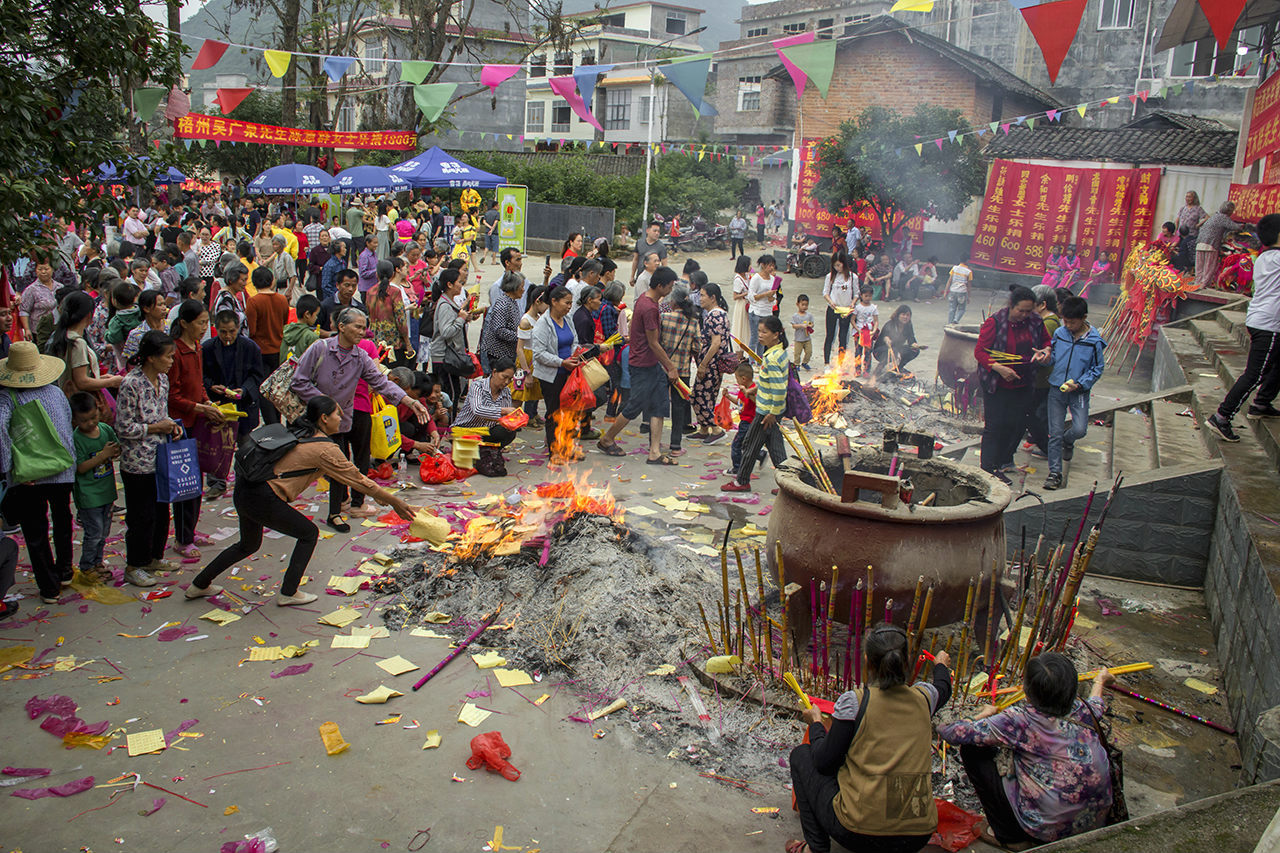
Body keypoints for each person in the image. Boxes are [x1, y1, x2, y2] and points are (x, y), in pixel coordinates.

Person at [187, 396, 418, 605]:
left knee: (248, 545)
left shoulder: (299, 431)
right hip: (263, 497)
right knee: (308, 533)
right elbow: (359, 480)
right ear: (324, 418)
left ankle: (199, 584)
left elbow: (343, 477)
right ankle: (289, 593)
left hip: (245, 489)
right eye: (338, 414)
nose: (342, 418)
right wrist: (395, 502)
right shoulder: (325, 448)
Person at [788, 625, 952, 853]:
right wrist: (941, 665)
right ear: (906, 663)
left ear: (867, 661)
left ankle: (815, 849)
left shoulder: (855, 703)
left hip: (859, 834)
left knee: (802, 756)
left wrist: (816, 724)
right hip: (917, 836)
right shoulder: (925, 698)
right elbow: (943, 687)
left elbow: (824, 763)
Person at [938, 654, 1115, 849]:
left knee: (972, 750)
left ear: (1027, 692)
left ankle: (1012, 838)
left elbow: (950, 732)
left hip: (1045, 832)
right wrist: (1100, 680)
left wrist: (981, 715)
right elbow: (1097, 704)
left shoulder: (1020, 721)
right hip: (1095, 822)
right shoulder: (1082, 710)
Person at [292, 307, 430, 532]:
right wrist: (324, 403)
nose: (362, 331)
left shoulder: (360, 356)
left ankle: (350, 506)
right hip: (324, 421)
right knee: (336, 463)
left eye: (364, 327)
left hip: (345, 417)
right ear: (341, 326)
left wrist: (409, 401)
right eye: (357, 326)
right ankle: (335, 513)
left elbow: (381, 383)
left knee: (348, 461)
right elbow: (299, 381)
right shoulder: (320, 348)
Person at [0, 342, 77, 602]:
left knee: (36, 532)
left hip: (29, 475)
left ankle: (49, 587)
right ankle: (65, 569)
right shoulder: (55, 393)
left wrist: (7, 468)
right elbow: (66, 424)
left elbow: (1, 431)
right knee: (63, 518)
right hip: (62, 468)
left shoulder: (7, 398)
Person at [115, 331, 182, 587]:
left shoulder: (162, 381)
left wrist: (171, 428)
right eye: (168, 356)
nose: (171, 361)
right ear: (151, 358)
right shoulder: (131, 383)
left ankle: (154, 557)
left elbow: (162, 415)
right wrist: (155, 428)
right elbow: (123, 427)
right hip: (137, 463)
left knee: (160, 512)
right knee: (140, 516)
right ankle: (134, 565)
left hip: (160, 458)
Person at [1207, 214, 1280, 442]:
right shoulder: (1277, 258)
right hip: (1269, 325)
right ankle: (1222, 416)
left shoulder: (1266, 256)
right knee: (1255, 374)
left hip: (1260, 319)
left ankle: (1262, 402)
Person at [597, 268, 680, 465]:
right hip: (643, 364)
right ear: (660, 286)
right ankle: (607, 438)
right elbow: (653, 342)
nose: (670, 290)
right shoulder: (649, 307)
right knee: (634, 406)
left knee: (660, 404)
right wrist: (671, 367)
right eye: (669, 286)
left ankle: (654, 452)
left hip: (651, 363)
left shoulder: (646, 298)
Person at [975, 286, 1051, 483]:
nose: (1024, 315)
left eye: (1029, 311)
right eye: (1021, 311)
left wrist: (1045, 353)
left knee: (1014, 424)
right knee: (995, 426)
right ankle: (988, 469)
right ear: (1011, 306)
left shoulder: (1035, 321)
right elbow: (980, 352)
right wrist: (1000, 368)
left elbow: (1047, 343)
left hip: (1024, 382)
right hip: (997, 383)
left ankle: (1002, 462)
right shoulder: (995, 322)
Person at [167, 300, 224, 560]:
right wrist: (200, 408)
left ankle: (190, 531)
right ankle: (182, 537)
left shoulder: (197, 347)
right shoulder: (175, 352)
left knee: (197, 480)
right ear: (184, 323)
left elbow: (198, 383)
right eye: (201, 323)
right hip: (180, 425)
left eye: (205, 322)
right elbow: (173, 396)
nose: (205, 327)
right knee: (185, 483)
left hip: (197, 420)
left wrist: (208, 401)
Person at [1043, 295, 1106, 490]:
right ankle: (1055, 473)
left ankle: (1068, 440)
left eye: (1072, 322)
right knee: (1054, 433)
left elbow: (1097, 369)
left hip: (1078, 391)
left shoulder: (1094, 341)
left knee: (1080, 429)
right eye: (1065, 321)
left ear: (1084, 318)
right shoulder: (1060, 333)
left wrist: (1080, 383)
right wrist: (1045, 358)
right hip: (1056, 388)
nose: (1068, 325)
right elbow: (1053, 357)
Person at [722, 315, 788, 492]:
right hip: (770, 409)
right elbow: (770, 383)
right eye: (758, 331)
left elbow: (780, 389)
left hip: (767, 411)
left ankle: (741, 481)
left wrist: (772, 413)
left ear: (776, 334)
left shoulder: (772, 358)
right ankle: (787, 485)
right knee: (776, 449)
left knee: (749, 445)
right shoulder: (778, 353)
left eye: (764, 332)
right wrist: (754, 390)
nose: (760, 335)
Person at [70, 392, 119, 580]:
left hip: (106, 491)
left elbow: (115, 448)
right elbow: (80, 467)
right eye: (84, 421)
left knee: (104, 532)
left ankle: (97, 562)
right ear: (74, 420)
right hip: (88, 495)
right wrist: (102, 455)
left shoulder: (105, 429)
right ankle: (87, 566)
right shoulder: (76, 439)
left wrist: (114, 452)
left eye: (93, 417)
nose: (91, 423)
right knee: (94, 533)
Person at [531, 285, 582, 463]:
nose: (569, 306)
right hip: (552, 375)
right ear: (554, 301)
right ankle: (554, 451)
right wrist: (562, 362)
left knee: (569, 412)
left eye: (571, 303)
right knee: (554, 412)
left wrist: (575, 354)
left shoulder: (567, 319)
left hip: (570, 373)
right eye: (566, 303)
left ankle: (567, 447)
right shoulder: (542, 325)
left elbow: (574, 340)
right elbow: (539, 353)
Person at [47, 291, 125, 399]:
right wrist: (111, 382)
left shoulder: (62, 336)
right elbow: (82, 382)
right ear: (89, 315)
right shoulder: (77, 342)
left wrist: (101, 378)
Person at [455, 357, 520, 476]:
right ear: (494, 372)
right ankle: (482, 452)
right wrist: (504, 410)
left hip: (485, 431)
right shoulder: (478, 386)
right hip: (465, 430)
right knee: (464, 458)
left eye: (510, 379)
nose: (506, 382)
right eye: (504, 377)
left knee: (509, 431)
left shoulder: (506, 392)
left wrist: (516, 420)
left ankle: (487, 451)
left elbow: (503, 420)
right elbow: (478, 410)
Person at [428, 268, 476, 415]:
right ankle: (449, 426)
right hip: (444, 356)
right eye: (459, 282)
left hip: (448, 356)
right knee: (450, 395)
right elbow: (446, 332)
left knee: (452, 393)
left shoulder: (448, 303)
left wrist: (463, 317)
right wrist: (460, 319)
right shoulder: (445, 306)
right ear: (449, 284)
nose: (461, 286)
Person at [659, 283, 699, 455]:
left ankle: (655, 443)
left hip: (662, 369)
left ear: (673, 301)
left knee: (659, 406)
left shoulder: (664, 318)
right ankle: (675, 446)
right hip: (682, 371)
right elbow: (697, 347)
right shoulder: (693, 322)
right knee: (678, 408)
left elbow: (656, 343)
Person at [1024, 287, 1060, 459]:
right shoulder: (1048, 321)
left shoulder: (1049, 324)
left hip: (1042, 377)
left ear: (1043, 305)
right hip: (1042, 377)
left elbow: (1036, 348)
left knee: (1031, 414)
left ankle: (1048, 449)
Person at [692, 282, 730, 443]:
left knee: (698, 395)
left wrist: (703, 364)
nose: (700, 298)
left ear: (712, 298)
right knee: (708, 395)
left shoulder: (715, 315)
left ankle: (715, 429)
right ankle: (703, 428)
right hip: (715, 363)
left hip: (711, 363)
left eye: (702, 295)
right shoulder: (720, 314)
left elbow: (715, 344)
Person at [572, 284, 605, 440]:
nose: (600, 302)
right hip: (584, 363)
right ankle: (582, 427)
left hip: (585, 361)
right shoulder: (583, 319)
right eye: (599, 299)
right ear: (589, 300)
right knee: (594, 396)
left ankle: (584, 427)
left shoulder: (584, 314)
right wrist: (598, 348)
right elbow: (584, 346)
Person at [366, 259, 412, 368]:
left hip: (375, 340)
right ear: (392, 274)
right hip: (393, 341)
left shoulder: (370, 292)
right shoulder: (394, 291)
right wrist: (408, 343)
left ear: (377, 274)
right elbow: (401, 319)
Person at [246, 267, 289, 374]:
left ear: (254, 282)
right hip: (279, 348)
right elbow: (284, 322)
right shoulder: (282, 299)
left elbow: (251, 331)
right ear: (271, 281)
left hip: (260, 349)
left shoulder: (253, 302)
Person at [1195, 201, 1245, 289]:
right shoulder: (1223, 217)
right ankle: (1204, 284)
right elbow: (1235, 227)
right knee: (1209, 266)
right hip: (1211, 243)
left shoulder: (1214, 216)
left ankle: (1197, 282)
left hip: (1200, 242)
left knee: (1200, 265)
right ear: (1229, 211)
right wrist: (1244, 225)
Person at [480, 270, 524, 368]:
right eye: (521, 287)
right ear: (514, 288)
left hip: (508, 352)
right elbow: (499, 330)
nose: (523, 290)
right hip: (499, 354)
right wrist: (520, 337)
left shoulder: (512, 302)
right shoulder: (503, 304)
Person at [821, 254, 856, 365]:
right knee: (830, 335)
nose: (837, 268)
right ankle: (826, 363)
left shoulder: (852, 277)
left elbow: (856, 293)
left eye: (839, 265)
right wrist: (831, 302)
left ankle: (840, 364)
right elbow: (825, 292)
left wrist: (852, 304)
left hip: (845, 310)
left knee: (843, 336)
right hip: (833, 309)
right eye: (835, 265)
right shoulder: (830, 276)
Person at [19, 254, 60, 344]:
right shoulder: (31, 289)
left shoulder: (60, 287)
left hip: (57, 329)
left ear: (52, 269)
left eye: (46, 269)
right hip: (38, 331)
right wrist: (27, 329)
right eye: (40, 269)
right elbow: (24, 310)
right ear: (36, 271)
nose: (43, 272)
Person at [873, 304, 921, 378]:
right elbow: (885, 337)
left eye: (908, 315)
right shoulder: (890, 324)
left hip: (896, 349)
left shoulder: (908, 325)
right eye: (903, 314)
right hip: (880, 351)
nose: (905, 317)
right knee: (894, 350)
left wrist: (914, 344)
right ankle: (878, 370)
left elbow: (911, 338)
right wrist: (887, 339)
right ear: (898, 315)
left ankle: (899, 367)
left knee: (915, 350)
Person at [747, 254, 779, 353]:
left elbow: (774, 298)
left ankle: (760, 360)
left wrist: (771, 297)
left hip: (767, 312)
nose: (771, 268)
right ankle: (752, 360)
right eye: (769, 265)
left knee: (763, 340)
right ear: (763, 265)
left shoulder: (773, 279)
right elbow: (751, 296)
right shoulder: (756, 278)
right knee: (755, 338)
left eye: (773, 265)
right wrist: (765, 294)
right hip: (756, 311)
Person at [629, 221, 669, 291]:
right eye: (654, 231)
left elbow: (664, 265)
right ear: (647, 231)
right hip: (640, 277)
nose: (657, 233)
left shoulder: (661, 247)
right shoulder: (639, 243)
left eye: (658, 231)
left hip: (654, 279)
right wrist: (632, 276)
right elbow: (635, 259)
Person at [283, 294, 323, 361]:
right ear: (307, 314)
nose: (316, 318)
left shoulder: (285, 330)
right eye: (316, 315)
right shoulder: (311, 336)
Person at [852, 286, 879, 376]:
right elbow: (852, 320)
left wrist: (873, 331)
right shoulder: (857, 307)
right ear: (861, 296)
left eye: (870, 296)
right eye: (866, 296)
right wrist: (857, 329)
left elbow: (876, 320)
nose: (868, 298)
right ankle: (857, 369)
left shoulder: (873, 308)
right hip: (859, 332)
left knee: (868, 352)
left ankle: (866, 370)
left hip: (869, 332)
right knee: (858, 351)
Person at [730, 255, 753, 346]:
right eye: (749, 264)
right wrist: (747, 293)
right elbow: (735, 296)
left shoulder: (747, 276)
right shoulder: (738, 279)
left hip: (748, 303)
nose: (751, 266)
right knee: (741, 328)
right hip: (742, 304)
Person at [947, 253, 974, 324]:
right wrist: (969, 296)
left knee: (952, 309)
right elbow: (969, 285)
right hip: (962, 292)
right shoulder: (969, 271)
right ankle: (956, 320)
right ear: (967, 260)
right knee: (962, 309)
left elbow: (949, 280)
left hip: (952, 290)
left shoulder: (954, 268)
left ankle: (949, 323)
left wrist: (945, 291)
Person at [791, 294, 815, 371]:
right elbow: (794, 326)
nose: (804, 307)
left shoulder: (809, 315)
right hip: (798, 339)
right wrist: (801, 325)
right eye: (803, 305)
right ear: (797, 304)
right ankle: (796, 364)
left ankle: (805, 362)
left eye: (806, 305)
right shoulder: (795, 316)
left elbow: (812, 323)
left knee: (809, 352)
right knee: (797, 353)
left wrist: (810, 325)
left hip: (807, 338)